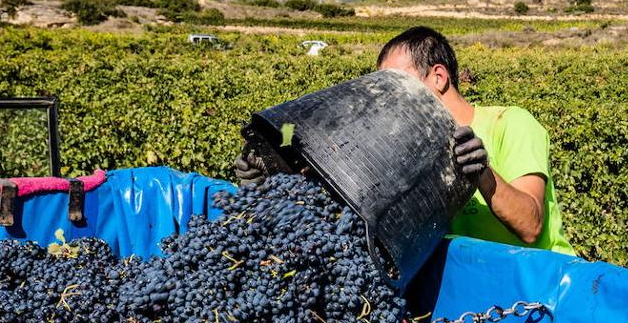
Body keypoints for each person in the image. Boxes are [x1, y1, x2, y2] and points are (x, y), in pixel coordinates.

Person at [235, 26, 575, 256]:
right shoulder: (406, 146)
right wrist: (272, 181)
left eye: (397, 83)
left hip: (541, 292)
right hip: (470, 291)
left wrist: (482, 173)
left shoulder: (510, 123)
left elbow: (531, 226)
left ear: (438, 77)